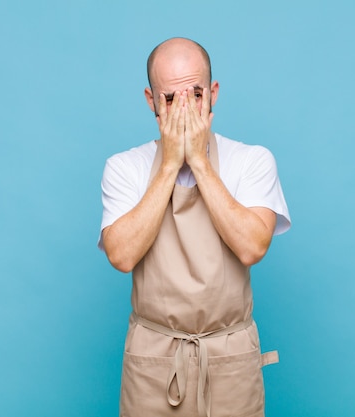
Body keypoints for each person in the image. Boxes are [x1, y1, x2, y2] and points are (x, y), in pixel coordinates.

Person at [98, 37, 291, 417]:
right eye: (170, 99)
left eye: (196, 94)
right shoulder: (124, 167)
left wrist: (199, 163)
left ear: (214, 93)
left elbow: (253, 246)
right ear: (151, 101)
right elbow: (120, 255)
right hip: (154, 363)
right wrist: (170, 164)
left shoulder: (251, 161)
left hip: (229, 358)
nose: (185, 109)